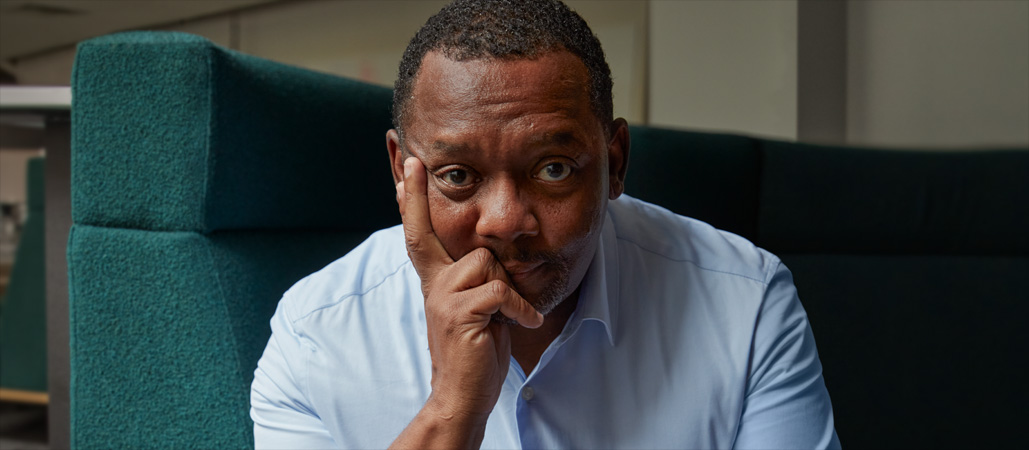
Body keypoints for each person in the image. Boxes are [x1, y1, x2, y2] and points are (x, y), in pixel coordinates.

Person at [250, 0, 840, 448]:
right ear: (401, 173)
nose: (506, 221)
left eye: (553, 168)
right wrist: (451, 412)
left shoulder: (746, 304)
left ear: (614, 163)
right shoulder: (315, 337)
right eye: (457, 176)